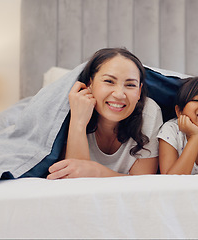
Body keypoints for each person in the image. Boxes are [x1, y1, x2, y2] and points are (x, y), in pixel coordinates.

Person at [47, 48, 162, 179]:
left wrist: (97, 171)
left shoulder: (149, 113)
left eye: (130, 85)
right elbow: (75, 181)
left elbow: (143, 182)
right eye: (109, 81)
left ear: (139, 91)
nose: (119, 94)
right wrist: (78, 121)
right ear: (90, 83)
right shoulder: (69, 109)